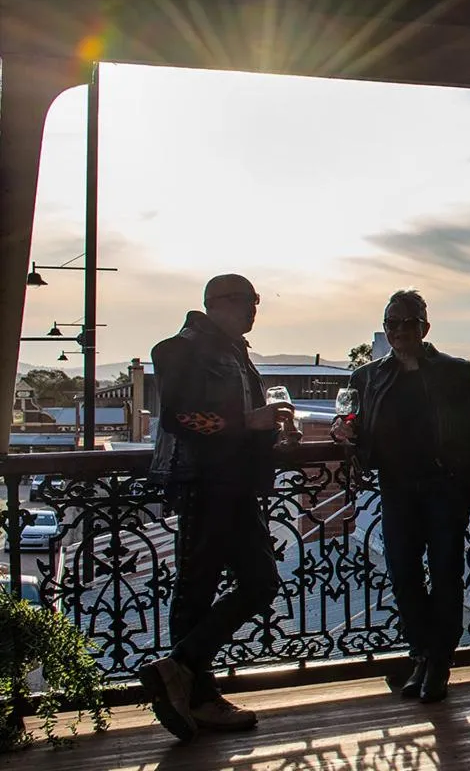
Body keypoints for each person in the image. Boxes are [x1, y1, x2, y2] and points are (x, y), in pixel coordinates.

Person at [140, 274, 295, 741]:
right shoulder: (179, 349)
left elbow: (235, 422)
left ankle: (182, 672)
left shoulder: (233, 353)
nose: (254, 310)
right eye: (249, 301)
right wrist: (248, 421)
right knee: (198, 589)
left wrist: (269, 428)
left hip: (235, 484)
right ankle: (199, 695)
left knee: (254, 583)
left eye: (256, 302)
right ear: (219, 303)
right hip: (204, 484)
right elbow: (179, 416)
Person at [332, 289, 470, 703]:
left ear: (424, 327)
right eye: (392, 323)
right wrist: (345, 433)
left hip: (445, 488)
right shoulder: (367, 377)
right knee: (403, 576)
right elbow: (356, 427)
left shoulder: (455, 372)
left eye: (408, 323)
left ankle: (437, 662)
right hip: (397, 489)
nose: (400, 330)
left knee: (445, 576)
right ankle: (423, 654)